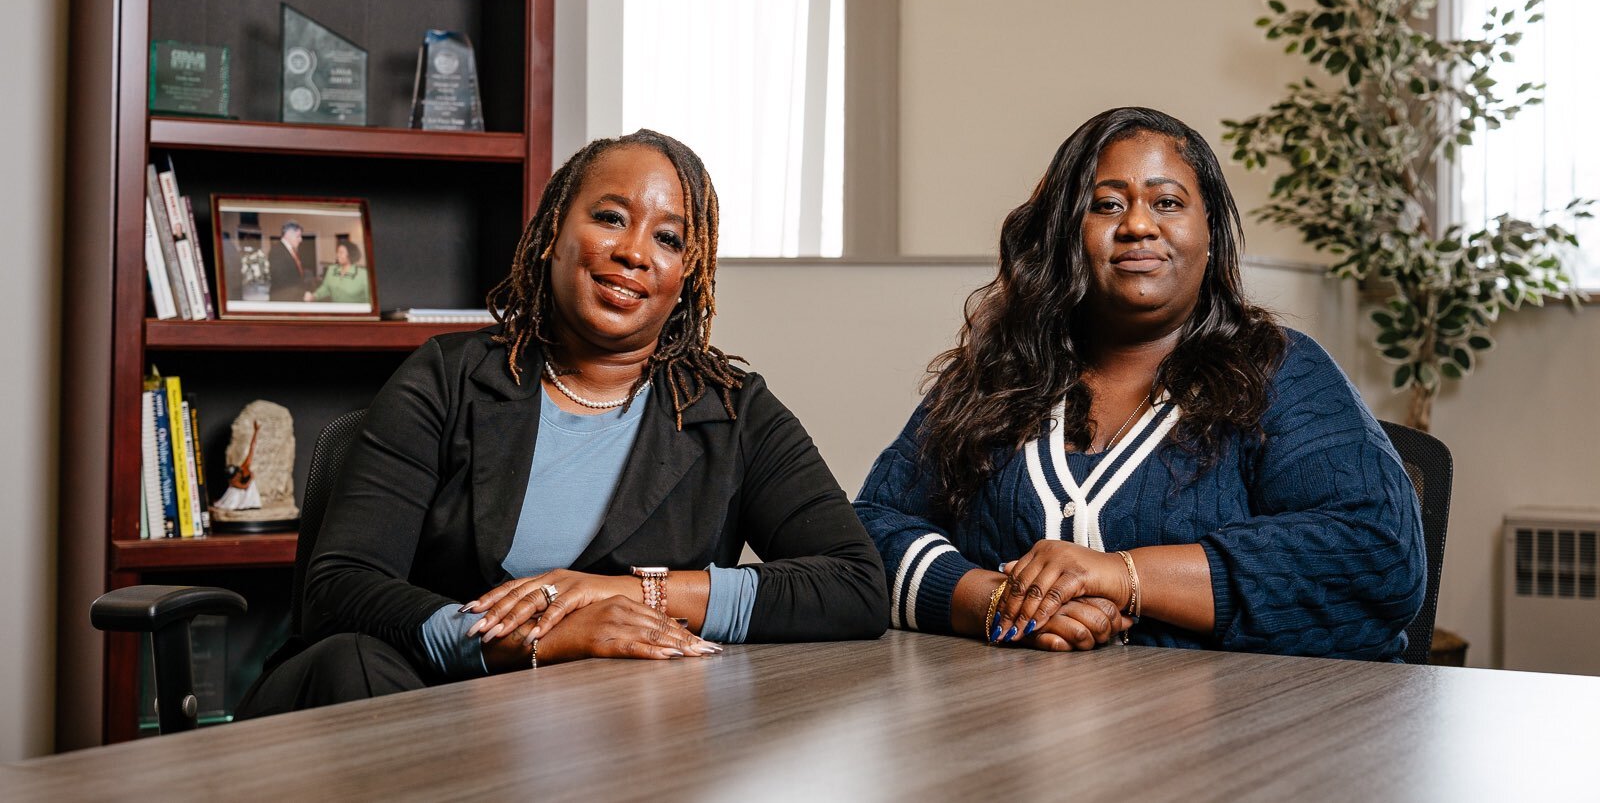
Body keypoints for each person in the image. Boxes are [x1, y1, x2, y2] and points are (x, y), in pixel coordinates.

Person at [237, 130, 888, 715]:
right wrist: (530, 638)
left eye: (668, 238)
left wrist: (638, 595)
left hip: (609, 739)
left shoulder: (730, 411)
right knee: (354, 664)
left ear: (687, 275)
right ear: (553, 232)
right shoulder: (447, 378)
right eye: (610, 217)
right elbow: (341, 587)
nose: (635, 252)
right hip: (408, 710)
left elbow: (855, 583)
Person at [854, 107, 1425, 660]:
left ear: (1210, 235)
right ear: (1066, 235)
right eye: (1106, 205)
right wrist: (997, 602)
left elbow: (1378, 555)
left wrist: (1122, 575)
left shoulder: (1278, 371)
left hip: (1245, 737)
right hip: (1011, 731)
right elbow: (865, 537)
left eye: (1168, 202)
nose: (1137, 225)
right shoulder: (996, 377)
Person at [306, 238, 370, 303]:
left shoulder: (363, 274)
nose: (337, 255)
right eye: (337, 252)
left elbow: (370, 300)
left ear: (351, 254)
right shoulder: (331, 269)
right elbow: (326, 288)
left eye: (341, 252)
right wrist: (314, 296)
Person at [267, 221, 308, 301]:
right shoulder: (277, 251)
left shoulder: (291, 251)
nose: (301, 239)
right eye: (298, 236)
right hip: (283, 299)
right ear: (288, 235)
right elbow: (282, 281)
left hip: (292, 297)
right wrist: (302, 294)